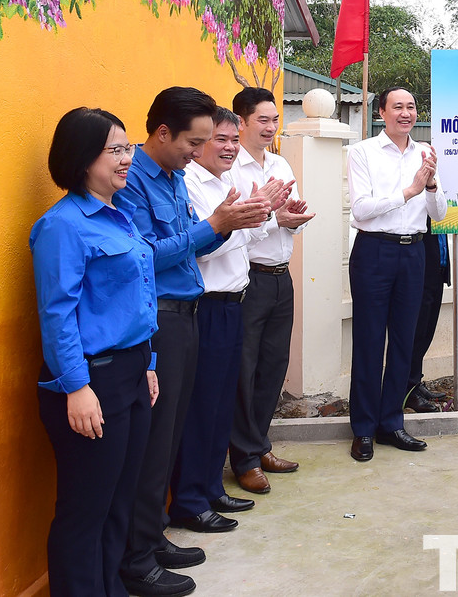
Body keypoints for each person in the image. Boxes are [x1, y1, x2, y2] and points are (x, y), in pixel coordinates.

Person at [117, 87, 270, 597]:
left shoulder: (171, 176)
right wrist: (216, 224)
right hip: (157, 317)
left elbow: (188, 241)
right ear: (162, 133)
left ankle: (152, 536)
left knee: (171, 434)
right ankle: (137, 558)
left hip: (186, 314)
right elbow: (147, 256)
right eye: (195, 141)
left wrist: (227, 223)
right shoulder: (133, 182)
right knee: (155, 439)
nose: (198, 151)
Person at [30, 108, 159, 597]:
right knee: (85, 512)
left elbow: (137, 299)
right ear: (83, 158)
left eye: (129, 148)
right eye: (116, 150)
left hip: (130, 373)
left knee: (118, 504)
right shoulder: (63, 226)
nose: (128, 159)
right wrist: (77, 387)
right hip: (90, 380)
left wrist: (146, 363)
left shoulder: (120, 216)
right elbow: (57, 314)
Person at [168, 108, 286, 535]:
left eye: (234, 140)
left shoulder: (226, 180)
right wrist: (238, 221)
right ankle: (190, 499)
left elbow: (247, 236)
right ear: (198, 141)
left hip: (237, 299)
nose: (230, 148)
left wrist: (262, 211)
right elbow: (200, 249)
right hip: (209, 304)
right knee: (201, 408)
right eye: (221, 139)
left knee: (221, 404)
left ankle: (211, 487)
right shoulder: (190, 184)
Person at [345, 86, 445, 461]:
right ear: (382, 113)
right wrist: (410, 190)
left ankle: (392, 422)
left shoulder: (425, 153)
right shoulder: (363, 152)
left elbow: (437, 213)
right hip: (375, 251)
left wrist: (431, 185)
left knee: (405, 339)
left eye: (411, 107)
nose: (406, 113)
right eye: (397, 107)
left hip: (414, 252)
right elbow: (361, 209)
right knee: (369, 341)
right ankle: (364, 429)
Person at [227, 87, 315, 494]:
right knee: (244, 370)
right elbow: (239, 227)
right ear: (241, 121)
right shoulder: (231, 171)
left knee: (273, 366)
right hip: (249, 278)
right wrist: (274, 217)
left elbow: (287, 215)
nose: (270, 127)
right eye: (262, 120)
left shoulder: (279, 163)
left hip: (282, 276)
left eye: (275, 119)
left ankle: (260, 444)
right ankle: (243, 458)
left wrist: (294, 216)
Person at [404, 221, 450, 414]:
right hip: (421, 269)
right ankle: (408, 391)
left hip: (437, 269)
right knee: (417, 331)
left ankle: (415, 382)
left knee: (427, 330)